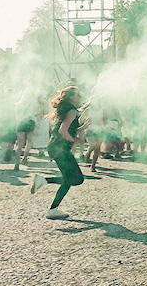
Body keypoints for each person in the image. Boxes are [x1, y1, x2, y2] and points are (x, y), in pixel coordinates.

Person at [30, 86, 90, 220]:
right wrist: (74, 140)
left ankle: (52, 207)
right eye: (78, 95)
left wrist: (82, 128)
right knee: (76, 179)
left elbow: (67, 128)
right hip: (61, 148)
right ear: (72, 97)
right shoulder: (72, 111)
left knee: (70, 179)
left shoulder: (67, 109)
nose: (80, 97)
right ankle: (46, 188)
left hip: (57, 147)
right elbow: (63, 131)